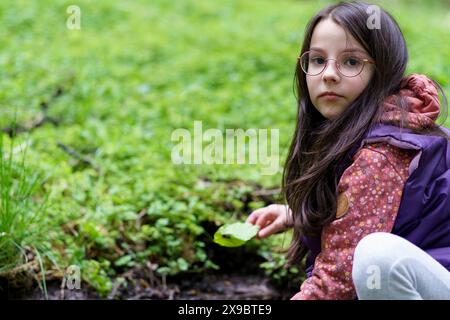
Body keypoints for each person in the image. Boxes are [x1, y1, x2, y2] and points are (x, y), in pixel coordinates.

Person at [246, 1, 450, 300]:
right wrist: (297, 214)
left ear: (382, 71)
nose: (328, 74)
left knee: (376, 257)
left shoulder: (381, 155)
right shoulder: (368, 131)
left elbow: (339, 279)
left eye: (351, 62)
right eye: (317, 60)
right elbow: (375, 207)